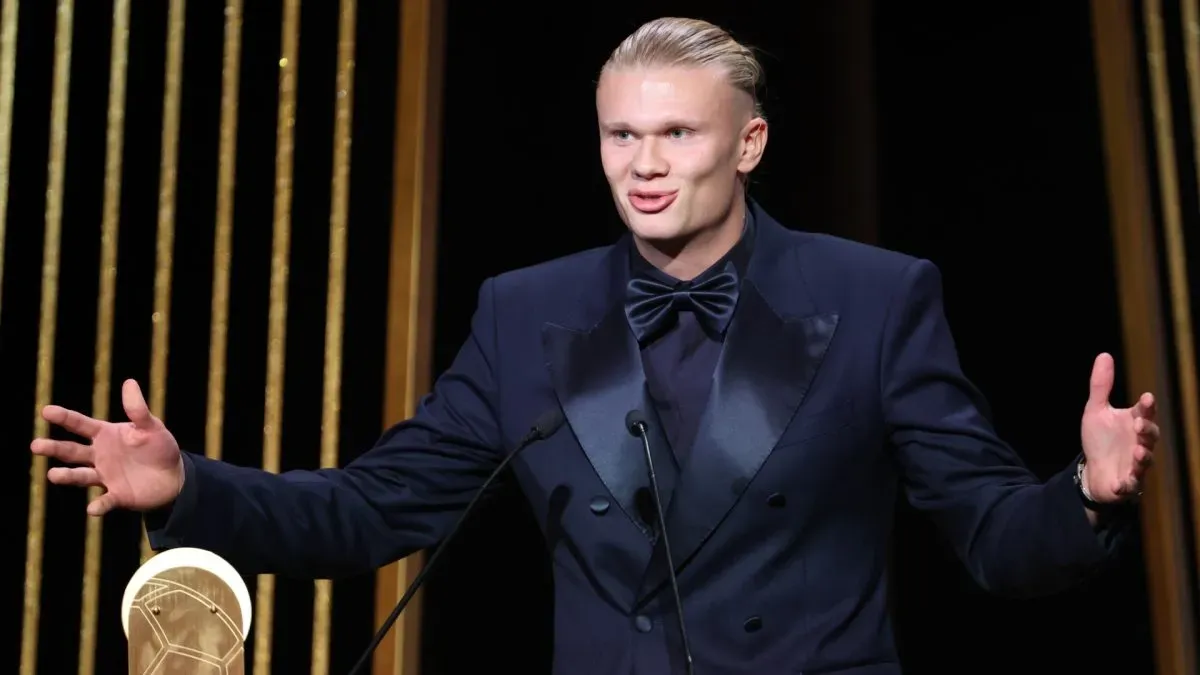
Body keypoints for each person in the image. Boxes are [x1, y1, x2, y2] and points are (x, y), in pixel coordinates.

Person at [32, 17, 1157, 675]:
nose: (645, 164)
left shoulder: (875, 297)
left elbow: (993, 537)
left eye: (677, 132)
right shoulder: (526, 312)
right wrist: (190, 487)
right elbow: (373, 509)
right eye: (622, 133)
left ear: (749, 144)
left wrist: (1086, 494)